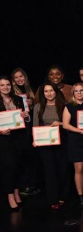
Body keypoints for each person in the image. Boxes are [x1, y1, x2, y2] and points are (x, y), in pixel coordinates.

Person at [32, 84, 70, 210]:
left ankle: (63, 196)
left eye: (51, 91)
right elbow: (35, 125)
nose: (49, 93)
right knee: (50, 171)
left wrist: (59, 123)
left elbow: (69, 124)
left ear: (56, 91)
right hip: (45, 143)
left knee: (63, 169)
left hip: (62, 141)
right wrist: (35, 139)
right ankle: (53, 198)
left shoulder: (64, 105)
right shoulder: (38, 107)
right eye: (46, 91)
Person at [62, 82, 83, 209]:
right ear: (73, 93)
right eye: (77, 91)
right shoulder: (69, 106)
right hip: (75, 140)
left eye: (82, 91)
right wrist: (79, 130)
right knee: (79, 168)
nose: (79, 93)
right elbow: (65, 125)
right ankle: (81, 196)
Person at [0, 76, 30, 210]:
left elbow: (26, 118)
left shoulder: (18, 99)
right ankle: (10, 195)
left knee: (19, 166)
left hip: (19, 137)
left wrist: (26, 116)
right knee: (9, 168)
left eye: (7, 85)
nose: (5, 87)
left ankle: (17, 193)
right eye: (2, 85)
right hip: (4, 139)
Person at [11, 68, 39, 198]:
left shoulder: (29, 92)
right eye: (16, 77)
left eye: (21, 76)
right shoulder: (12, 94)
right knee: (21, 158)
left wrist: (31, 103)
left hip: (30, 129)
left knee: (31, 158)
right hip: (18, 131)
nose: (19, 79)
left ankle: (31, 185)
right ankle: (23, 185)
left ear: (25, 77)